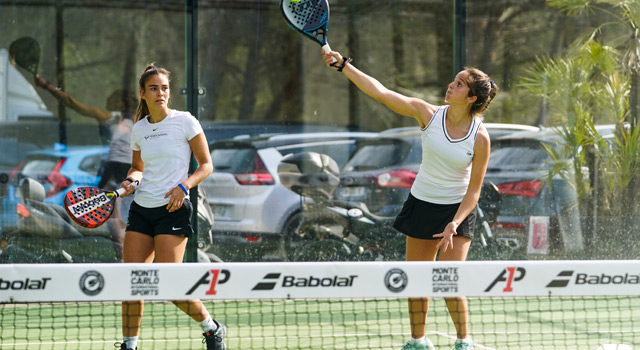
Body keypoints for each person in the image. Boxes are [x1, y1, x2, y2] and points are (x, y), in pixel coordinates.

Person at [322, 50, 497, 350]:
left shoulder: (480, 137)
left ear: (471, 98)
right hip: (422, 204)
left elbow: (474, 192)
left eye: (459, 84)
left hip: (457, 211)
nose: (451, 85)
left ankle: (463, 342)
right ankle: (418, 342)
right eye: (454, 81)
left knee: (449, 282)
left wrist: (454, 222)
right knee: (417, 279)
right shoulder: (426, 113)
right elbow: (381, 92)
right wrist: (345, 66)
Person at [115, 63, 224, 350]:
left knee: (169, 286)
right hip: (141, 210)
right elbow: (138, 167)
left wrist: (184, 186)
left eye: (164, 88)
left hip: (173, 211)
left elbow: (206, 165)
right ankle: (129, 345)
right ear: (143, 94)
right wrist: (130, 180)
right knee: (133, 282)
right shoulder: (139, 129)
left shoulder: (185, 121)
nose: (160, 93)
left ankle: (211, 329)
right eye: (154, 88)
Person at [34, 76, 137, 256]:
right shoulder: (115, 119)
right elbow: (71, 103)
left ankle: (124, 255)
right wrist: (48, 87)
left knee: (118, 215)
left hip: (125, 170)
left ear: (122, 102)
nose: (107, 100)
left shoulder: (136, 120)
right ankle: (118, 253)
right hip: (115, 169)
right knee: (111, 213)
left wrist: (47, 86)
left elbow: (74, 103)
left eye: (112, 98)